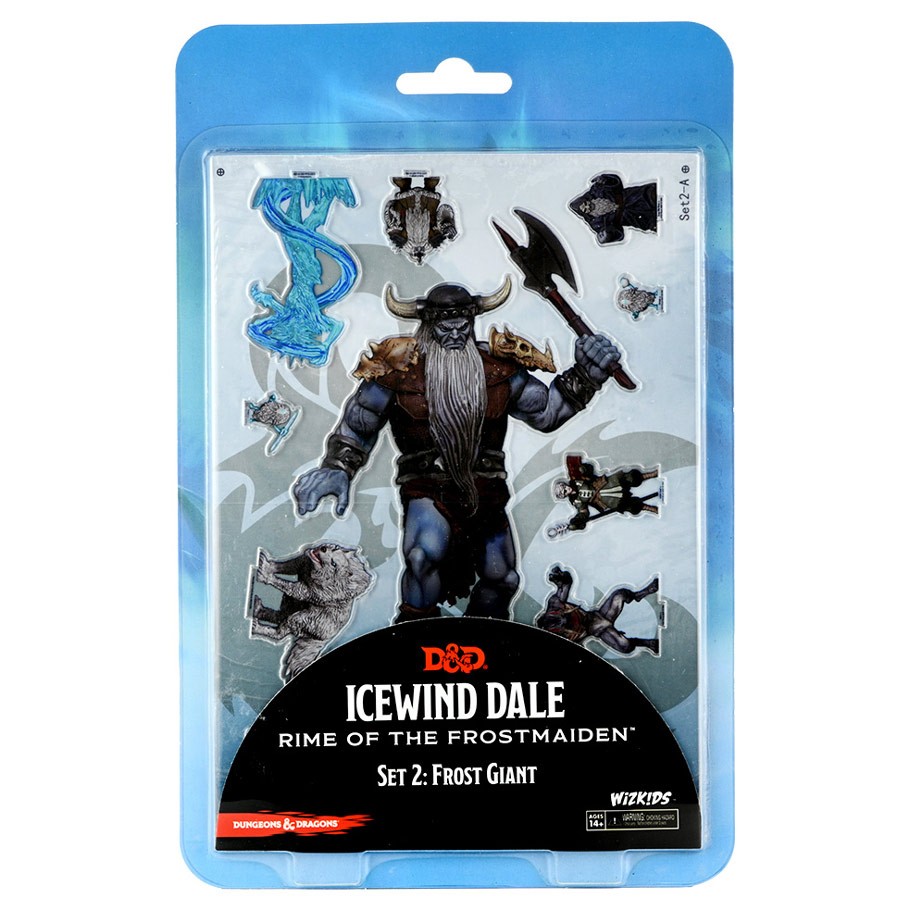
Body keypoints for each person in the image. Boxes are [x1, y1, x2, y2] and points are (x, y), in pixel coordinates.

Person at [293, 278, 622, 622]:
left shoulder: (497, 370)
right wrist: (337, 467)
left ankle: (484, 635)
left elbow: (547, 412)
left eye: (462, 326)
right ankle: (415, 629)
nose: (454, 334)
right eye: (444, 327)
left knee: (503, 577)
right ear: (427, 327)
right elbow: (360, 422)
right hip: (427, 487)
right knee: (422, 556)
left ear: (472, 323)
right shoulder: (399, 371)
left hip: (486, 490)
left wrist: (587, 374)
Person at [537, 565, 659, 655]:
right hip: (597, 630)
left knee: (620, 595)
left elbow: (566, 584)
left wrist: (561, 578)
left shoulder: (555, 604)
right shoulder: (561, 639)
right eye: (563, 625)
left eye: (561, 618)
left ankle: (640, 594)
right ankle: (646, 643)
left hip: (598, 616)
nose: (564, 621)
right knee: (625, 646)